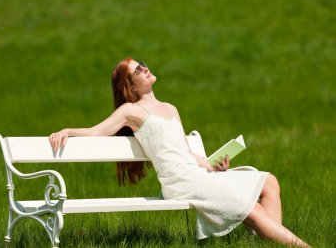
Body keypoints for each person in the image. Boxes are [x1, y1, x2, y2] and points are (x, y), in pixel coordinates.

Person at [49, 57, 310, 247]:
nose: (145, 67)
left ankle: (272, 241)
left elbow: (185, 152)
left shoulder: (171, 108)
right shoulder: (132, 112)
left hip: (196, 173)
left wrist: (212, 165)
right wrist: (69, 130)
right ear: (131, 86)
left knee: (269, 181)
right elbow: (97, 131)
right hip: (180, 182)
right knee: (250, 208)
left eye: (142, 64)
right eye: (138, 70)